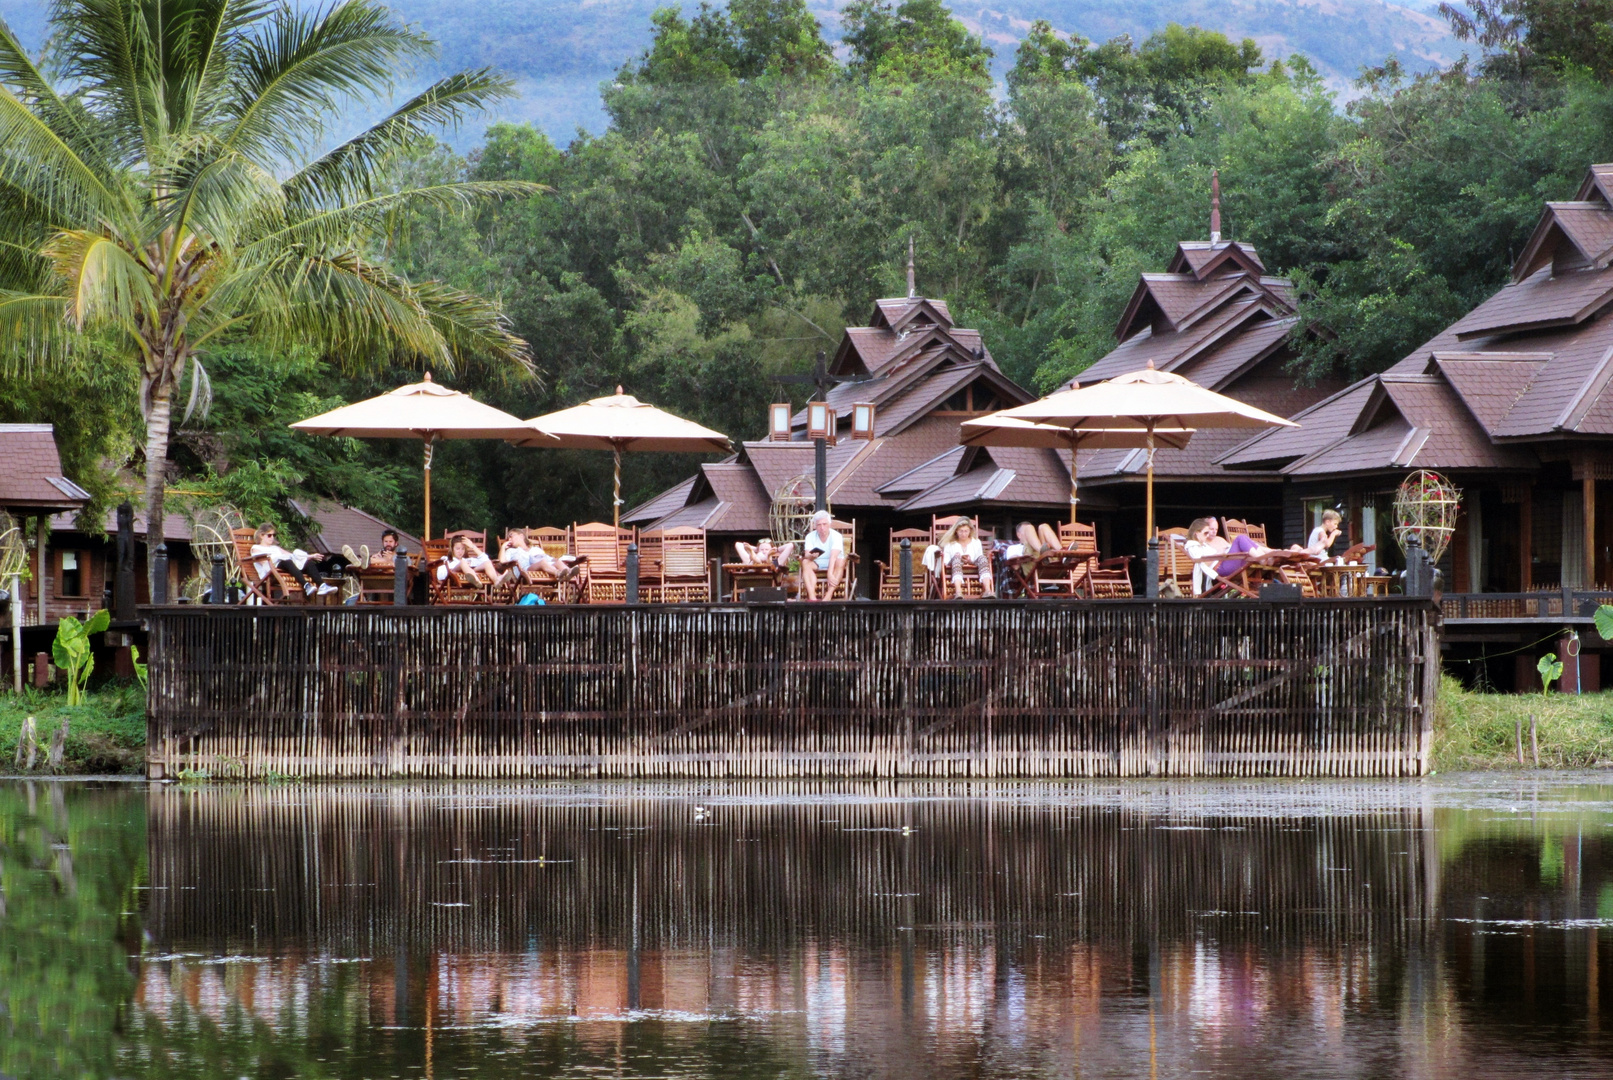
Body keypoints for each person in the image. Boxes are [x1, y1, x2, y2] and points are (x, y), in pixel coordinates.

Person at [250, 523, 339, 596]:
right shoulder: (256, 548)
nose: (272, 537)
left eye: (274, 535)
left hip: (284, 569)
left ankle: (322, 586)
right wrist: (275, 558)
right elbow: (262, 562)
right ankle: (306, 585)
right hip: (271, 572)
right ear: (261, 535)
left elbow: (292, 555)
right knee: (286, 561)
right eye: (269, 535)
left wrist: (310, 556)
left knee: (307, 563)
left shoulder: (275, 548)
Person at [500, 528, 580, 583]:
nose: (509, 540)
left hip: (542, 568)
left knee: (556, 561)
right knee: (542, 562)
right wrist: (503, 547)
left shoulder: (535, 549)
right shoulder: (512, 551)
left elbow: (548, 558)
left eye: (511, 536)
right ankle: (558, 574)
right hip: (524, 571)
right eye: (508, 539)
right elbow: (502, 562)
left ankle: (569, 573)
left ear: (521, 536)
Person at [939, 518, 993, 597]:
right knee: (957, 557)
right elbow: (946, 561)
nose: (963, 534)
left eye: (966, 531)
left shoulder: (976, 542)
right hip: (954, 565)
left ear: (969, 531)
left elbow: (978, 557)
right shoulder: (950, 543)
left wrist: (970, 561)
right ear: (956, 531)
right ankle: (958, 592)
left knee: (982, 558)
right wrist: (958, 557)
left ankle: (988, 591)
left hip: (973, 564)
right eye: (961, 531)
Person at [800, 511, 847, 601]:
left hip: (833, 561)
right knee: (805, 562)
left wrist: (829, 573)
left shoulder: (837, 536)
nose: (822, 528)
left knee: (841, 561)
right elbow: (807, 554)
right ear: (815, 526)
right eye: (819, 525)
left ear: (829, 524)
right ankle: (812, 597)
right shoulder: (810, 536)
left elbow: (833, 556)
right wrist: (811, 556)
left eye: (824, 524)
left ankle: (828, 596)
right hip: (817, 561)